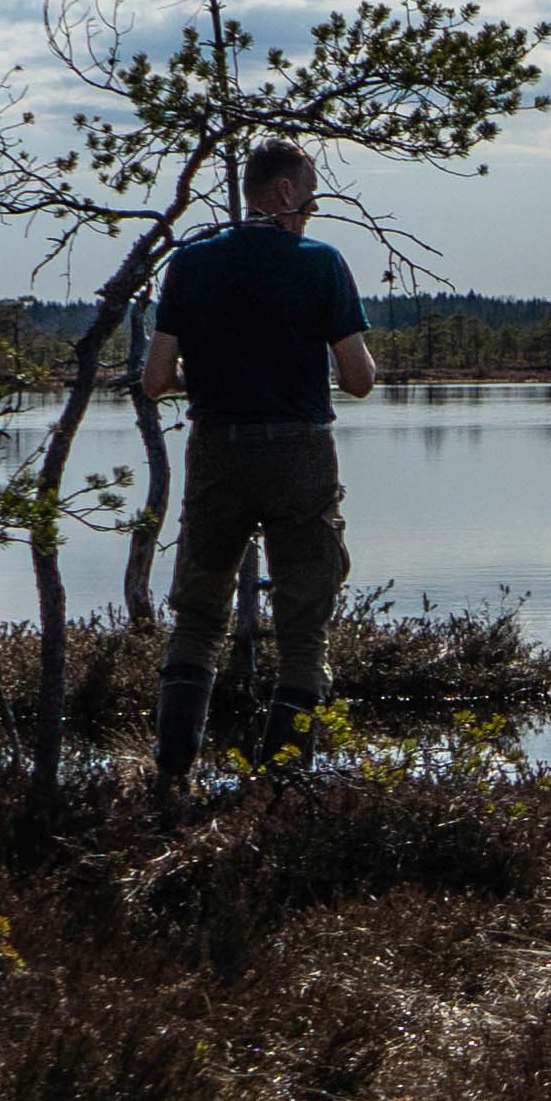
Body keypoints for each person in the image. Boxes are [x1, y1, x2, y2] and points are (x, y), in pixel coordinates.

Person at [134, 140, 379, 784]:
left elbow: (156, 379)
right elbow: (357, 380)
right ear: (282, 194)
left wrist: (213, 372)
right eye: (310, 198)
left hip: (216, 454)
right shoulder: (322, 264)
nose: (311, 212)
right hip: (300, 455)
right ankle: (279, 787)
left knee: (198, 618)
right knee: (304, 626)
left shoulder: (189, 263)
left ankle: (171, 776)